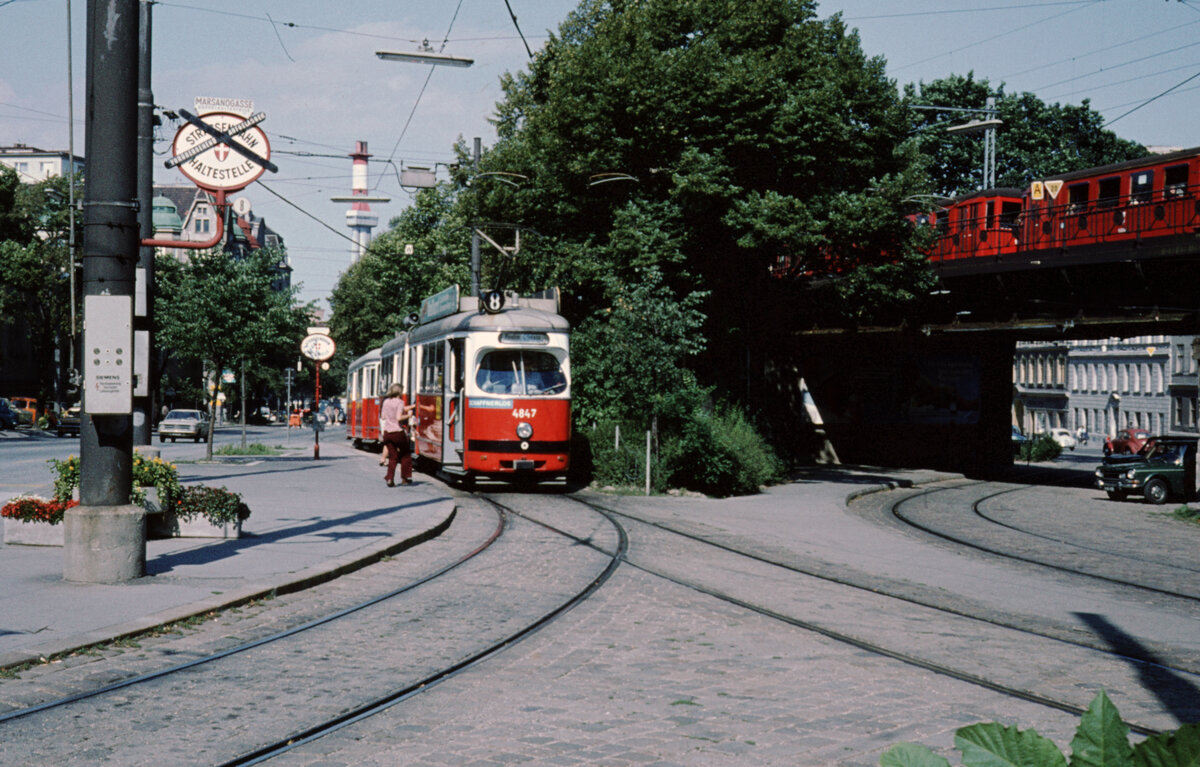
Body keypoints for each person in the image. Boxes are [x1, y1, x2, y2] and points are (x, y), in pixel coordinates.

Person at [380, 384, 417, 487]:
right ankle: (405, 479)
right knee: (405, 455)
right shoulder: (400, 402)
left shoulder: (386, 401)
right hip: (397, 432)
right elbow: (399, 417)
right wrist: (408, 415)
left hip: (387, 433)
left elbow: (383, 417)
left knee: (393, 456)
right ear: (400, 392)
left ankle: (390, 478)